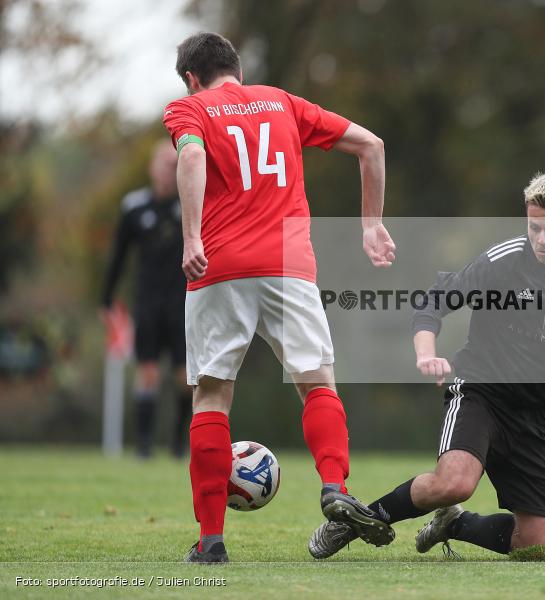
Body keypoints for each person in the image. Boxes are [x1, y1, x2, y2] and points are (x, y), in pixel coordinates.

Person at [308, 172, 545, 560]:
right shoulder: (504, 261)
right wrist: (426, 354)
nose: (541, 239)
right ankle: (352, 522)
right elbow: (434, 302)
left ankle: (454, 523)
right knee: (454, 483)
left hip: (537, 412)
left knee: (539, 545)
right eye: (534, 227)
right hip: (480, 391)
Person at [163, 32, 397, 563]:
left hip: (219, 266)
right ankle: (335, 487)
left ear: (192, 79)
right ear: (238, 70)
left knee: (211, 396)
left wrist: (193, 238)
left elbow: (192, 157)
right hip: (290, 265)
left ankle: (211, 540)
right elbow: (372, 145)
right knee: (317, 384)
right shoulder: (282, 103)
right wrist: (371, 224)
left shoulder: (188, 108)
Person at [101, 141, 191, 459]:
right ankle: (143, 446)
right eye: (163, 164)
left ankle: (179, 442)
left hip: (184, 304)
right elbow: (118, 255)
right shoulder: (134, 207)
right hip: (148, 303)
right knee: (148, 372)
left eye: (174, 165)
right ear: (152, 168)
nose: (168, 171)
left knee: (185, 378)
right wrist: (106, 298)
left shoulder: (191, 204)